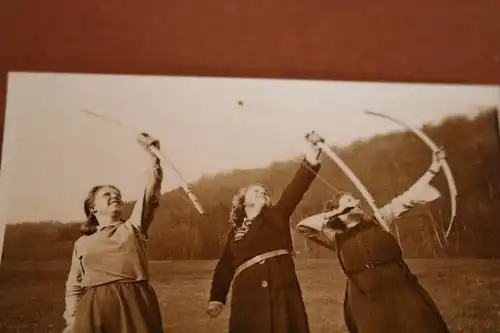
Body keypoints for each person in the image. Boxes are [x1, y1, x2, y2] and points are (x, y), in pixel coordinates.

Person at [296, 148, 451, 333]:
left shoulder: (379, 219)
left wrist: (433, 168)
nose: (356, 202)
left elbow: (407, 199)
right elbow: (303, 227)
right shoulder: (335, 236)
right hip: (364, 296)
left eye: (355, 199)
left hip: (399, 285)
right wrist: (337, 212)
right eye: (348, 201)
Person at [206, 131, 324, 333]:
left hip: (281, 287)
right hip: (247, 295)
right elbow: (225, 264)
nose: (262, 193)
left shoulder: (277, 215)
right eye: (256, 191)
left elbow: (295, 189)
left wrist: (311, 160)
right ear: (244, 202)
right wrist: (217, 298)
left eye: (264, 192)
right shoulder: (236, 232)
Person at [62, 133, 164, 333]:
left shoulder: (133, 228)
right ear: (92, 208)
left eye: (117, 195)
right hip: (93, 308)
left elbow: (149, 192)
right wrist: (72, 320)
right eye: (107, 195)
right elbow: (74, 285)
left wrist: (153, 158)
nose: (114, 197)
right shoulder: (82, 243)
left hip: (133, 303)